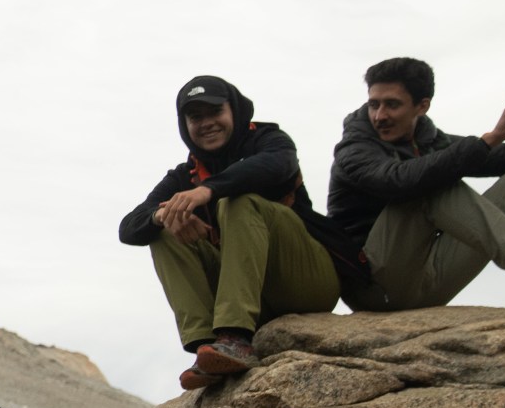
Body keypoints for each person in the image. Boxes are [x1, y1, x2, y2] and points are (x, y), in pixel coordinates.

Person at [120, 75, 360, 390]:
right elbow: (128, 227)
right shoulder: (184, 175)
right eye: (195, 117)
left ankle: (234, 337)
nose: (206, 123)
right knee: (163, 228)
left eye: (214, 112)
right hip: (256, 301)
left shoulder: (269, 140)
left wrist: (207, 191)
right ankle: (208, 347)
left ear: (233, 110)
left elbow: (277, 164)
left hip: (305, 282)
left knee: (239, 202)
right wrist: (165, 214)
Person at [328, 57, 505, 313]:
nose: (380, 116)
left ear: (422, 106)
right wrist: (492, 137)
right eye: (373, 104)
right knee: (428, 184)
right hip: (375, 285)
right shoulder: (354, 149)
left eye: (392, 105)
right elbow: (399, 181)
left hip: (431, 276)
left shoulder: (433, 143)